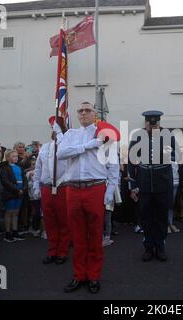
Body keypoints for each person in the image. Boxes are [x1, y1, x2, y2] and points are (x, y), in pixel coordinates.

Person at [56, 101, 119, 294]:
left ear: (95, 114)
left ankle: (93, 276)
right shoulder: (70, 135)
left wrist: (109, 193)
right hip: (73, 189)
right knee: (77, 235)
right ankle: (79, 275)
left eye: (87, 110)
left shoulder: (105, 136)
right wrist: (87, 146)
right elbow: (61, 154)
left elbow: (113, 166)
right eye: (80, 110)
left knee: (95, 235)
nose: (83, 113)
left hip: (95, 187)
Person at [128, 110, 175, 263]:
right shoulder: (137, 136)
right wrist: (133, 185)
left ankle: (160, 247)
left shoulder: (168, 135)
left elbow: (176, 155)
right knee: (146, 217)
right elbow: (131, 161)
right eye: (149, 122)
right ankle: (148, 247)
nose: (152, 124)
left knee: (161, 217)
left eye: (155, 122)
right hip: (144, 183)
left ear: (160, 122)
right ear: (145, 122)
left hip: (163, 182)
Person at [33, 117, 70, 265]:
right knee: (49, 222)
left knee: (63, 221)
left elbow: (71, 167)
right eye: (52, 128)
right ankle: (52, 250)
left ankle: (63, 251)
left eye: (56, 128)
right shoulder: (45, 147)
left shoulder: (67, 146)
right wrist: (36, 185)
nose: (53, 131)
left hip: (62, 188)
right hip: (47, 188)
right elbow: (38, 168)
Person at [0, 150, 27, 243]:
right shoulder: (4, 168)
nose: (16, 158)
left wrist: (23, 189)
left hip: (20, 193)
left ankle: (14, 231)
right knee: (9, 212)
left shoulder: (20, 168)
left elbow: (25, 179)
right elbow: (5, 181)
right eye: (13, 156)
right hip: (10, 193)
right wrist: (16, 189)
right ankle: (7, 233)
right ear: (8, 157)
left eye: (16, 156)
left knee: (16, 213)